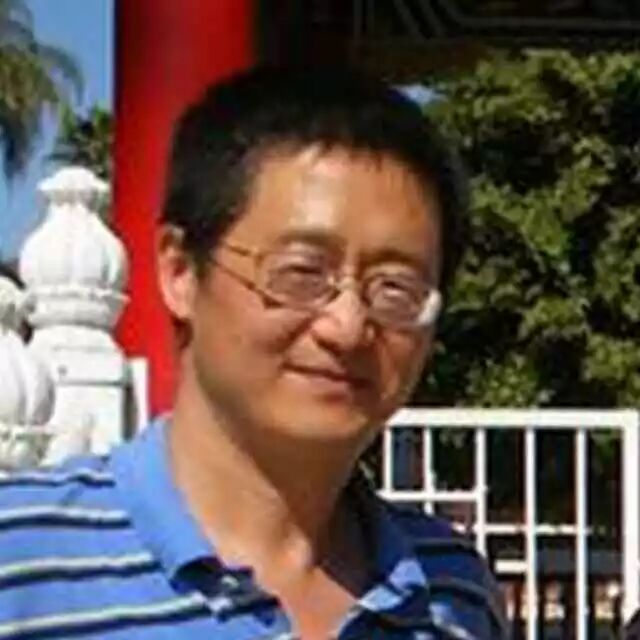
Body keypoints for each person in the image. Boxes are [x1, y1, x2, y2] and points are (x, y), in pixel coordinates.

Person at [0, 66, 508, 639]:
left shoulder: (452, 593)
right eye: (302, 272)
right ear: (180, 272)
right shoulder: (22, 566)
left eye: (396, 288)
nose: (347, 327)